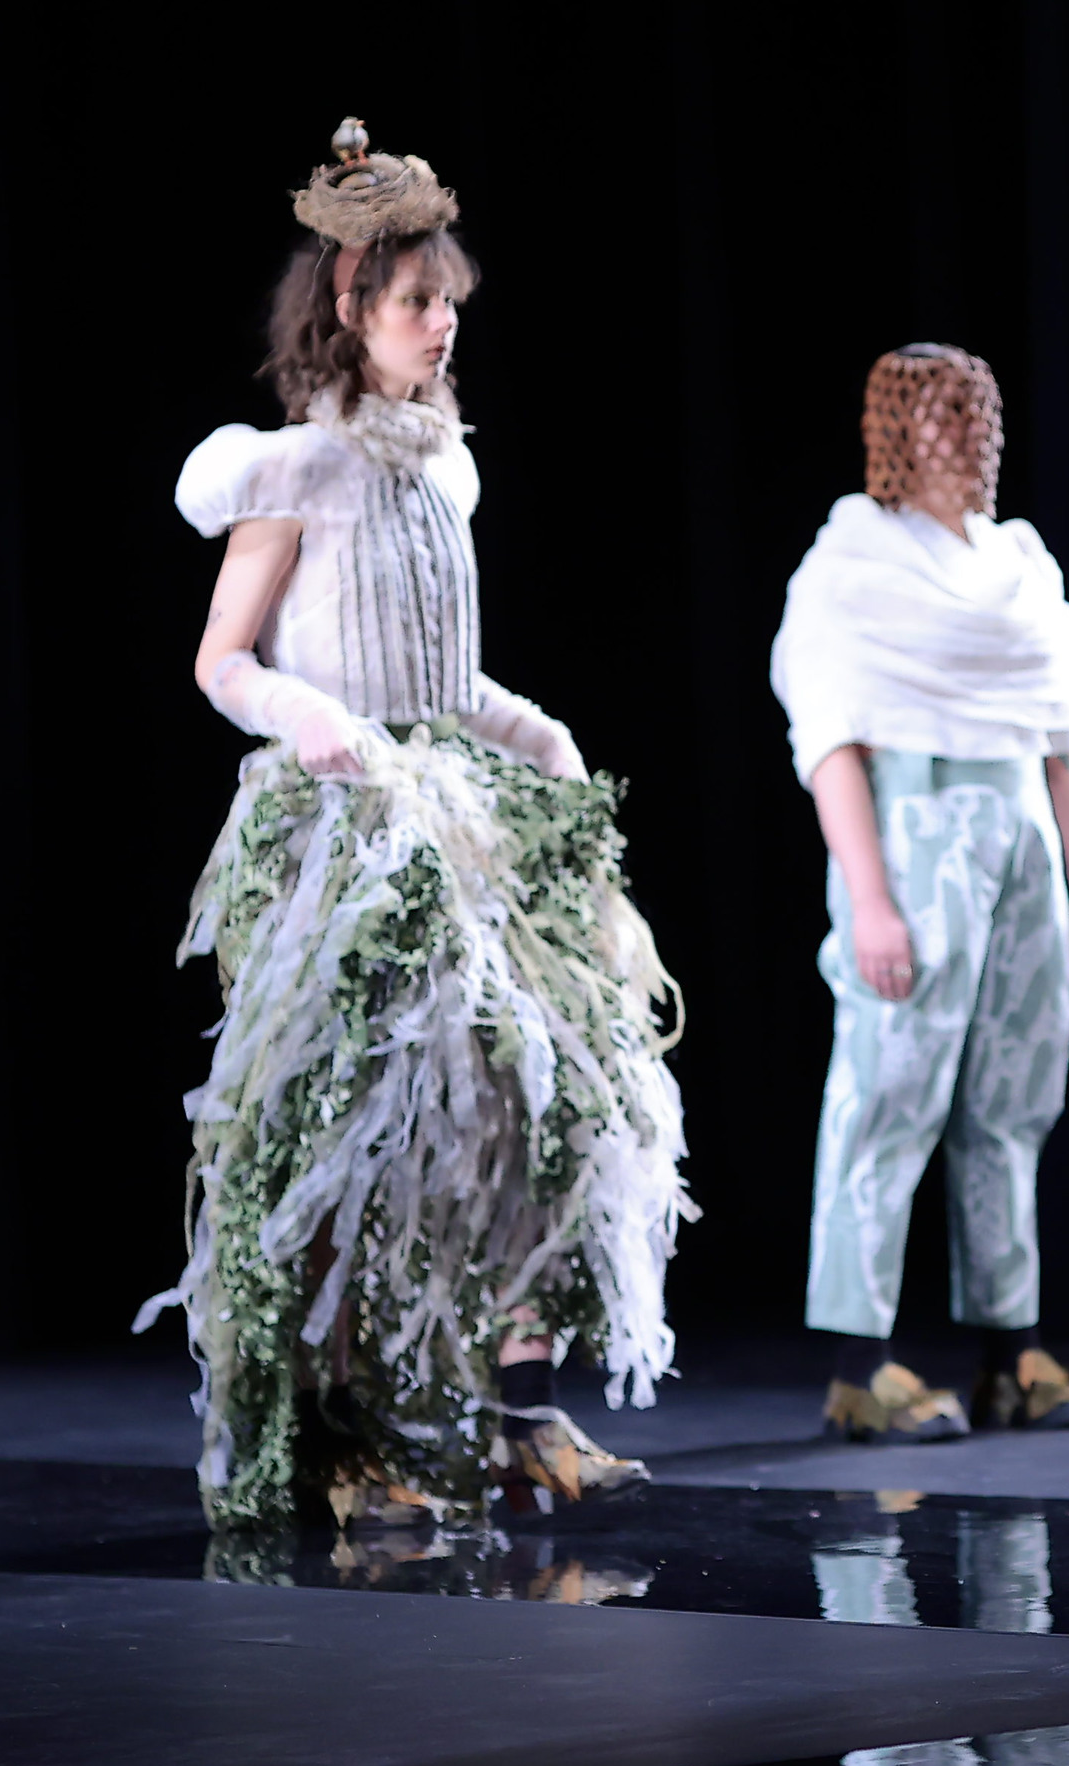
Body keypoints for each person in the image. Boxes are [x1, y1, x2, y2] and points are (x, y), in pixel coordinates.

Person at [146, 120, 687, 1532]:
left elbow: (443, 670)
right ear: (348, 308)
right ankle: (335, 1434)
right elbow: (225, 660)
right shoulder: (298, 470)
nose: (442, 325)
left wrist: (530, 728)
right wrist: (312, 720)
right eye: (414, 303)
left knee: (548, 1098)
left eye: (449, 302)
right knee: (356, 1121)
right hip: (347, 824)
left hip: (464, 817)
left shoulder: (443, 469)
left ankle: (517, 1408)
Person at [770, 345, 1069, 1441]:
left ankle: (1009, 1352)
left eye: (976, 413)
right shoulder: (856, 558)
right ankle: (856, 1365)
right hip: (916, 828)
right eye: (936, 414)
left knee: (1013, 1098)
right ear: (893, 428)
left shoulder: (1017, 561)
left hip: (1019, 834)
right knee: (888, 1091)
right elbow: (829, 733)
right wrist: (870, 899)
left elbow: (1061, 731)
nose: (961, 433)